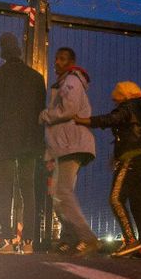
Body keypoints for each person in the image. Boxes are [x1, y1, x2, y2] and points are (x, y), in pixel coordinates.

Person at [0, 32, 46, 254]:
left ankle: (5, 240)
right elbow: (40, 114)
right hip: (29, 142)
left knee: (3, 189)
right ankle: (28, 242)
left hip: (3, 142)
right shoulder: (36, 77)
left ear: (2, 50)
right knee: (28, 189)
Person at [74, 81, 141, 260]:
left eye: (117, 94)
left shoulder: (128, 107)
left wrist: (84, 121)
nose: (113, 98)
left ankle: (130, 241)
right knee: (138, 203)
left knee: (116, 199)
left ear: (125, 95)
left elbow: (111, 119)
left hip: (132, 160)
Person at [39, 47, 98, 257]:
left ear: (71, 62)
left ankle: (87, 237)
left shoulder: (71, 81)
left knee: (61, 192)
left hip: (71, 144)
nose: (57, 61)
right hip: (64, 146)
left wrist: (46, 115)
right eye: (56, 58)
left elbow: (68, 109)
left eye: (62, 59)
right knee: (58, 194)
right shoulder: (65, 81)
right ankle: (69, 239)